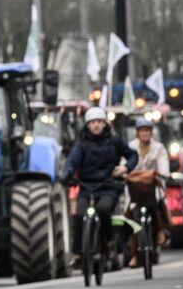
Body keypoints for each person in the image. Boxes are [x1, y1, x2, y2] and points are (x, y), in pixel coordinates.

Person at [63, 107, 139, 268]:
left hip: (109, 185)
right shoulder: (81, 144)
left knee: (104, 209)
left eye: (99, 122)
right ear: (87, 125)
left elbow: (132, 155)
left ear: (104, 124)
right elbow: (72, 161)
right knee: (79, 215)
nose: (96, 125)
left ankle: (110, 243)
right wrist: (68, 173)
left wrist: (126, 168)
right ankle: (78, 253)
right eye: (92, 122)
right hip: (86, 186)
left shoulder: (114, 141)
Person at [126, 118, 171, 266]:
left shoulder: (159, 148)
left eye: (147, 131)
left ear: (151, 133)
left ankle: (160, 231)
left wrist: (164, 173)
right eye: (142, 131)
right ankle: (133, 254)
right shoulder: (130, 147)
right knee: (130, 214)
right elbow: (124, 163)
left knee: (158, 203)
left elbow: (163, 162)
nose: (144, 133)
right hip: (135, 187)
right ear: (137, 133)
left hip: (152, 185)